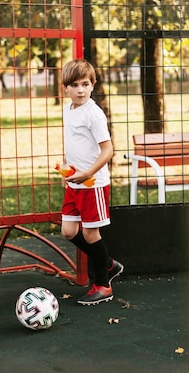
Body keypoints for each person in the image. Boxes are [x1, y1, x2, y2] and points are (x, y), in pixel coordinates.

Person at [58, 59, 124, 305]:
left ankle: (103, 285)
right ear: (66, 88)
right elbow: (72, 142)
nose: (80, 90)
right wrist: (67, 169)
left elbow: (107, 150)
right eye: (74, 85)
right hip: (74, 182)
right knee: (68, 231)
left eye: (85, 84)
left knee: (89, 232)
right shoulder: (68, 109)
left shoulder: (94, 113)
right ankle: (106, 263)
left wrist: (87, 174)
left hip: (92, 183)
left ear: (93, 84)